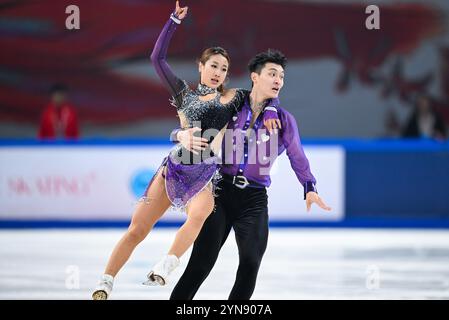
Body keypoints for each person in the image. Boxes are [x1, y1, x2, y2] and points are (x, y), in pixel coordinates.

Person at [91, 1, 279, 300]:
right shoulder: (183, 94)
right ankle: (105, 282)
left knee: (201, 212)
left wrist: (269, 113)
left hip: (204, 173)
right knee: (137, 230)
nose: (218, 72)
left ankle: (166, 265)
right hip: (174, 168)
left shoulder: (232, 98)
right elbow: (157, 58)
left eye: (224, 68)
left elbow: (266, 96)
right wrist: (173, 22)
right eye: (214, 65)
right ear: (201, 66)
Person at [169, 49, 332, 300]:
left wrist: (309, 186)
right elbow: (192, 125)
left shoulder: (283, 120)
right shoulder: (229, 106)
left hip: (254, 200)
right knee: (201, 264)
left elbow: (297, 155)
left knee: (250, 263)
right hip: (220, 194)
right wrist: (177, 135)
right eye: (272, 74)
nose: (279, 80)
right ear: (254, 77)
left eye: (282, 76)